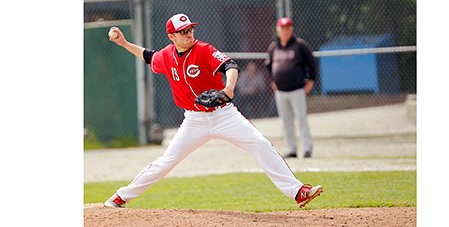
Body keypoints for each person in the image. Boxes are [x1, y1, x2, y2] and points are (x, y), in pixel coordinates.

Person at [104, 13, 322, 209]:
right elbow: (149, 56)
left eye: (190, 29)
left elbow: (230, 66)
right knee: (165, 162)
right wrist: (123, 43)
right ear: (172, 36)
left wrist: (228, 89)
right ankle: (121, 197)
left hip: (223, 114)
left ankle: (297, 192)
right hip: (193, 121)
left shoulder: (204, 50)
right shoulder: (166, 56)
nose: (189, 33)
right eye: (183, 31)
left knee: (261, 144)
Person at [265, 17, 317, 158]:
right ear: (278, 30)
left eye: (287, 28)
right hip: (280, 91)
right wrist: (273, 81)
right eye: (282, 29)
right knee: (286, 120)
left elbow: (311, 63)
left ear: (291, 30)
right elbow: (269, 65)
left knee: (301, 119)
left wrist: (310, 81)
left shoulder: (299, 45)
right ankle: (292, 148)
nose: (285, 31)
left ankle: (307, 148)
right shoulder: (274, 46)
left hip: (297, 89)